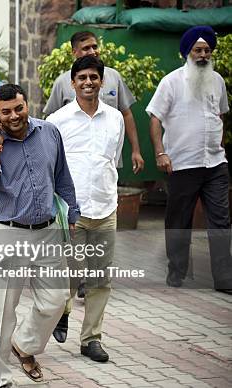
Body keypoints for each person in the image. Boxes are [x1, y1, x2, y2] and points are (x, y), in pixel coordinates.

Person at [0, 84, 79, 387]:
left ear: (27, 104)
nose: (14, 116)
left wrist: (73, 214)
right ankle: (0, 378)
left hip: (48, 232)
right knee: (3, 311)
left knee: (56, 300)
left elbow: (62, 178)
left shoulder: (49, 132)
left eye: (19, 108)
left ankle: (25, 346)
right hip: (7, 234)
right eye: (6, 112)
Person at [46, 56, 124, 362]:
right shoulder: (58, 120)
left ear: (102, 82)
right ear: (72, 82)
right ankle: (61, 311)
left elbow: (112, 160)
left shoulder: (115, 118)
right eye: (82, 78)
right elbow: (50, 168)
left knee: (100, 279)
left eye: (94, 77)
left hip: (106, 208)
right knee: (69, 276)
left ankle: (91, 338)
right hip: (70, 214)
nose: (88, 82)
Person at [147, 26, 232, 294]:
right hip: (182, 162)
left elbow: (221, 114)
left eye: (207, 50)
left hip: (216, 163)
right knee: (179, 220)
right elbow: (155, 118)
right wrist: (160, 152)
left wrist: (220, 140)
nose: (203, 54)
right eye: (198, 50)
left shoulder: (217, 80)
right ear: (187, 53)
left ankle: (224, 277)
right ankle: (177, 270)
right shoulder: (171, 82)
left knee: (220, 220)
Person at [43, 31, 144, 175]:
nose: (92, 51)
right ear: (74, 52)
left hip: (105, 161)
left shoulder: (114, 77)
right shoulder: (62, 82)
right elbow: (51, 124)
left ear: (101, 82)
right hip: (73, 165)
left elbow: (126, 114)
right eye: (86, 48)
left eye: (94, 46)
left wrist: (136, 150)